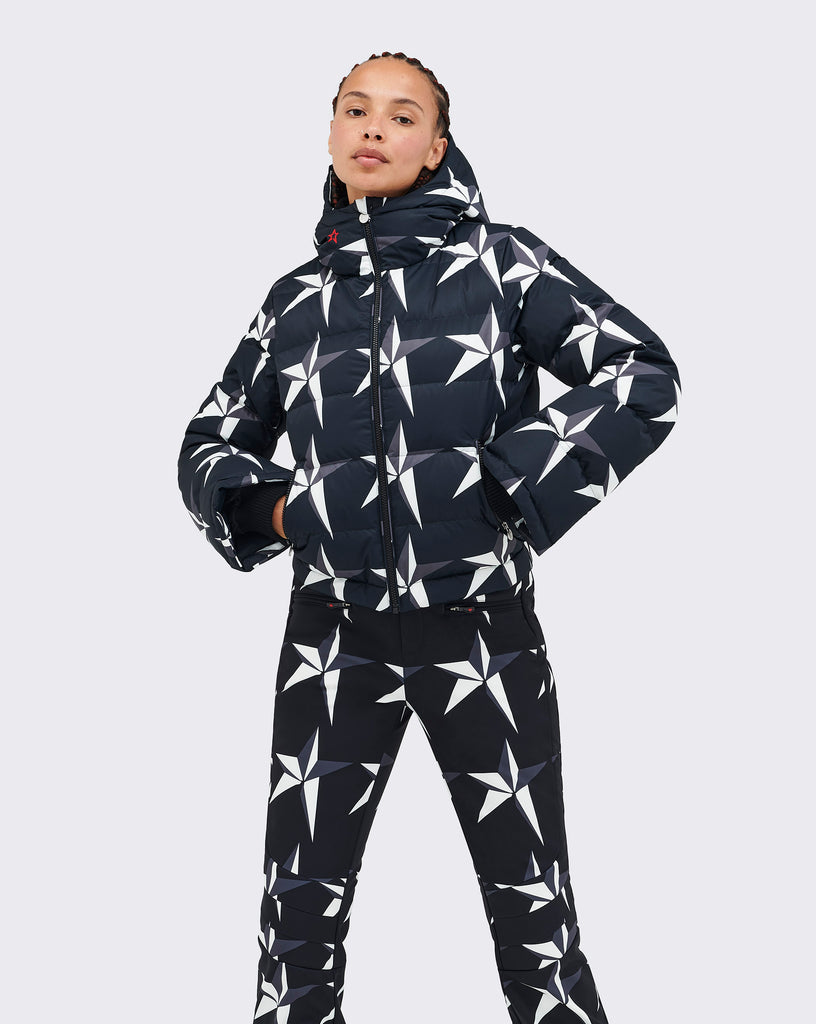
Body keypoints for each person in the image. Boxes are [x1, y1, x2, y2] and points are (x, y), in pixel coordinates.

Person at [177, 51, 680, 1024]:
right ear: (332, 132)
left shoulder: (503, 264)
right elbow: (207, 445)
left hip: (481, 628)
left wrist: (504, 484)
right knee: (295, 928)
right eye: (355, 109)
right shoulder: (296, 303)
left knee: (534, 918)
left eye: (402, 115)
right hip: (332, 637)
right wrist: (279, 511)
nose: (374, 127)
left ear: (438, 145)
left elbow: (642, 377)